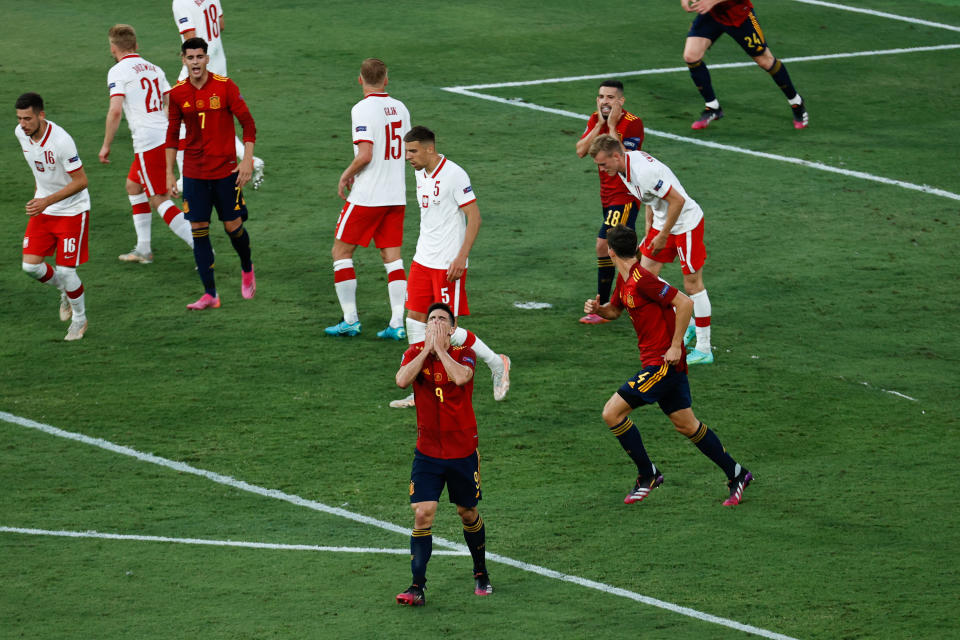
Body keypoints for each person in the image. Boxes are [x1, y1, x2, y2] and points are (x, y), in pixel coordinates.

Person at [583, 225, 752, 506]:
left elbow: (684, 303)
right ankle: (737, 473)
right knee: (687, 425)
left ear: (610, 252)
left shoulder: (643, 279)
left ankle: (647, 474)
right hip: (662, 364)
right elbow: (615, 310)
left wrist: (675, 346)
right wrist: (600, 310)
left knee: (612, 413)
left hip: (662, 364)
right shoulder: (625, 281)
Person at [389, 126, 510, 408]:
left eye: (413, 151)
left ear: (430, 149)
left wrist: (460, 257)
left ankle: (497, 362)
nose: (408, 157)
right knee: (415, 320)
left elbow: (475, 218)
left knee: (447, 329)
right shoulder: (420, 172)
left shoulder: (455, 175)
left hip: (447, 264)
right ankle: (420, 389)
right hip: (423, 259)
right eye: (407, 151)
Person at [394, 301, 493, 606]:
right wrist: (427, 350)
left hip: (462, 451)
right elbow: (401, 380)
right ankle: (416, 586)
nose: (435, 324)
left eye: (441, 320)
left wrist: (442, 351)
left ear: (452, 328)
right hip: (428, 453)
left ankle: (480, 571)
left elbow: (461, 378)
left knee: (467, 512)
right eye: (431, 320)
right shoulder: (414, 354)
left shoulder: (466, 355)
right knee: (422, 513)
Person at [589, 134, 714, 364]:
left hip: (685, 223)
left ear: (616, 156)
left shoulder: (642, 171)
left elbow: (678, 201)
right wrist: (650, 231)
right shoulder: (622, 169)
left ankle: (705, 348)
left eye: (602, 163)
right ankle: (689, 322)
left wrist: (664, 234)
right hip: (662, 223)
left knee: (692, 283)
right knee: (643, 275)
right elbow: (650, 200)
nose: (601, 169)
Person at [165, 37, 257, 310]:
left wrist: (247, 161)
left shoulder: (225, 87)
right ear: (183, 59)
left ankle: (246, 266)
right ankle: (210, 294)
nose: (195, 62)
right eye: (190, 57)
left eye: (200, 57)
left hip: (225, 171)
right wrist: (170, 173)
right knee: (198, 229)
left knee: (233, 227)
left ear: (207, 59)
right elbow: (171, 135)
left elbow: (248, 125)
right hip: (194, 173)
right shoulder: (177, 94)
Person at [325, 58, 411, 340]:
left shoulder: (361, 109)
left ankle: (350, 319)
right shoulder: (401, 108)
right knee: (392, 258)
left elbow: (365, 154)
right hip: (396, 195)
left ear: (359, 80)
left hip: (368, 196)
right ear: (386, 79)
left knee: (341, 252)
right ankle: (398, 323)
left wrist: (345, 175)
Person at [99, 24, 194, 264]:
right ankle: (143, 248)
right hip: (165, 136)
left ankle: (201, 248)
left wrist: (106, 144)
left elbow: (115, 111)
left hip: (148, 142)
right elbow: (169, 104)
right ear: (136, 45)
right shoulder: (154, 69)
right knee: (133, 186)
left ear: (113, 48)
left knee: (160, 198)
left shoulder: (118, 71)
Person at [15, 93, 91, 341]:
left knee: (67, 271)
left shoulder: (61, 141)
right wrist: (42, 198)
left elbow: (81, 181)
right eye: (19, 118)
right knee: (30, 266)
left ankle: (79, 320)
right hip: (44, 208)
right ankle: (64, 291)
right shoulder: (20, 134)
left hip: (72, 210)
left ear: (41, 115)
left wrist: (46, 200)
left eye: (28, 118)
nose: (23, 124)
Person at [171, 0, 264, 188]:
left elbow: (190, 37)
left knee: (177, 114)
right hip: (218, 62)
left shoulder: (181, 2)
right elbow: (220, 24)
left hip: (200, 68)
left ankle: (184, 176)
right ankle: (251, 160)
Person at [574, 79, 645, 325]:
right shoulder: (595, 119)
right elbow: (581, 150)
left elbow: (622, 157)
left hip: (626, 195)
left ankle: (604, 307)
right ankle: (640, 292)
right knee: (629, 253)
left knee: (604, 245)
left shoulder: (633, 123)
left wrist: (613, 126)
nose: (605, 101)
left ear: (621, 101)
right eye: (601, 96)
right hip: (606, 195)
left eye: (610, 97)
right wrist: (601, 125)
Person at [681, 0, 808, 130]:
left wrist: (711, 1)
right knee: (691, 56)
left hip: (740, 16)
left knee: (765, 61)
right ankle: (712, 107)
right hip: (713, 14)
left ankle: (796, 102)